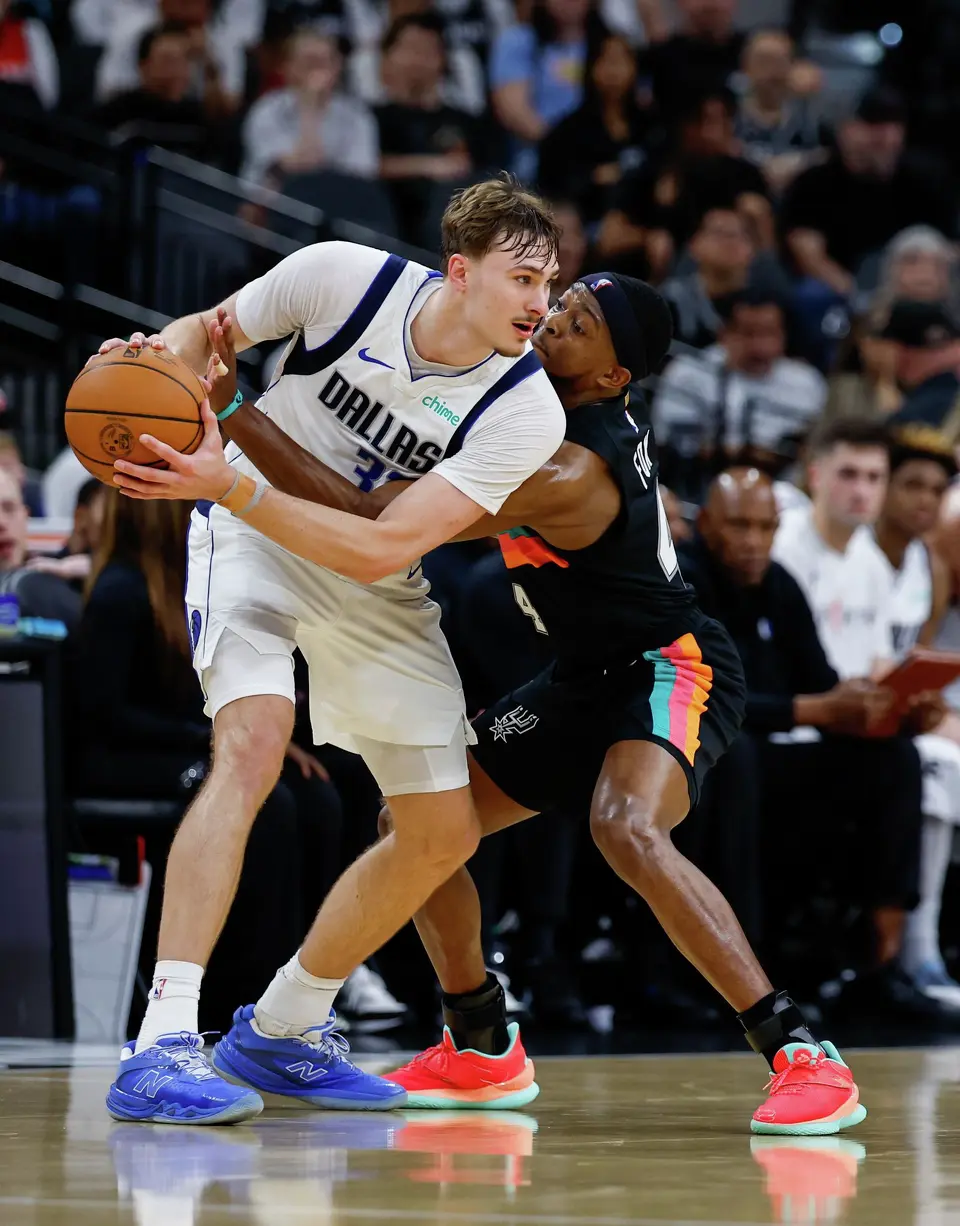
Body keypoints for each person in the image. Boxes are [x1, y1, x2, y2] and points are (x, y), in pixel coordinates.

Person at [141, 273, 868, 1135]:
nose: (554, 319)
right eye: (560, 303)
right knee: (417, 827)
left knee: (625, 827)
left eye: (580, 323)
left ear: (610, 377)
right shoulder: (518, 397)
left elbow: (372, 518)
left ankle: (799, 1052)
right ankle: (480, 1041)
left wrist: (237, 417)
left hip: (668, 665)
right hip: (579, 676)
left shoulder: (563, 466)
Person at [96, 177, 567, 1126]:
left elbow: (386, 543)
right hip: (254, 543)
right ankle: (161, 1040)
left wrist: (230, 475)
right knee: (254, 747)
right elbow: (208, 333)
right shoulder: (340, 279)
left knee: (441, 833)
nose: (539, 305)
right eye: (523, 279)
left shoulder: (527, 409)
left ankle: (280, 1028)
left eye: (551, 285)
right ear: (460, 270)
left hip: (363, 569)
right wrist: (158, 363)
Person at [686, 468, 935, 1018]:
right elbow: (704, 700)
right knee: (738, 757)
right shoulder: (684, 584)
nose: (754, 541)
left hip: (776, 756)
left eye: (765, 528)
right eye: (740, 526)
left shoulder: (778, 583)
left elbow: (820, 684)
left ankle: (880, 964)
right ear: (705, 524)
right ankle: (743, 975)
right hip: (700, 762)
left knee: (895, 758)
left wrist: (887, 710)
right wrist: (817, 708)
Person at [773, 417, 959, 1018]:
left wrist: (912, 701)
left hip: (853, 733)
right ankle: (896, 955)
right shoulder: (784, 548)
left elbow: (879, 665)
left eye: (873, 478)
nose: (862, 490)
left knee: (912, 758)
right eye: (849, 475)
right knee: (910, 769)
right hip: (790, 730)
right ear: (816, 475)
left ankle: (887, 960)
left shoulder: (870, 562)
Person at [873, 428, 960, 1007]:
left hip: (889, 715)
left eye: (936, 488)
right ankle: (914, 947)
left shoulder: (928, 565)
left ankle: (928, 940)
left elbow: (920, 660)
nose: (925, 501)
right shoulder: (858, 554)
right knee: (937, 760)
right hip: (845, 714)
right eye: (911, 486)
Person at [652, 289, 826, 501]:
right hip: (698, 488)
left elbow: (815, 449)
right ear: (724, 333)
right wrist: (738, 451)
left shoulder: (806, 383)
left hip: (782, 493)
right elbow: (669, 441)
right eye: (748, 333)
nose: (759, 346)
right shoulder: (689, 373)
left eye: (769, 333)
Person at [537, 32, 651, 226]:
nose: (614, 71)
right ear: (591, 67)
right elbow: (552, 187)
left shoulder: (651, 127)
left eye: (621, 60)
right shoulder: (566, 132)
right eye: (606, 60)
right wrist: (593, 178)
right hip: (584, 224)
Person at [240, 30, 379, 187]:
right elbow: (302, 167)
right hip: (278, 202)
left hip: (336, 200)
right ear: (289, 67)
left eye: (326, 62)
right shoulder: (267, 109)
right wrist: (309, 104)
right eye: (310, 63)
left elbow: (361, 175)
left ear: (338, 67)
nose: (318, 71)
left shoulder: (357, 115)